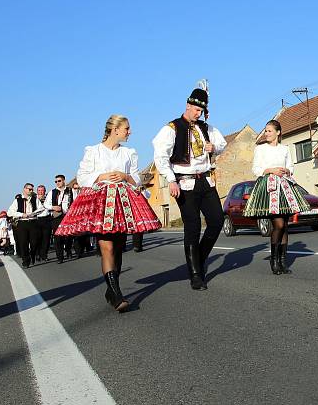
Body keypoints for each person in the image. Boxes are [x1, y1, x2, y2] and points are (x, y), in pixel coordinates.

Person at [56, 114, 161, 312]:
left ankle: (112, 289)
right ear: (115, 130)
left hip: (123, 203)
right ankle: (116, 293)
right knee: (107, 248)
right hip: (100, 203)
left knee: (119, 247)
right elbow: (82, 177)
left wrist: (125, 176)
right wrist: (102, 176)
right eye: (127, 128)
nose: (130, 132)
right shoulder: (93, 151)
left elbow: (138, 179)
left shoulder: (129, 153)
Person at [153, 87, 227, 290]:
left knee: (217, 220)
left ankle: (199, 258)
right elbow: (160, 156)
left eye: (201, 111)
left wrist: (215, 148)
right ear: (187, 106)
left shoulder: (206, 128)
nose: (198, 114)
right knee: (192, 226)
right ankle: (195, 274)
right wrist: (170, 179)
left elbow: (223, 143)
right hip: (184, 182)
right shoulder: (172, 128)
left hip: (205, 179)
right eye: (195, 110)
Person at [243, 120, 310, 274]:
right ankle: (274, 261)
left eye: (269, 131)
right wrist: (270, 170)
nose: (266, 134)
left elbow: (291, 166)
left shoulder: (285, 149)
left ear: (278, 132)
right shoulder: (260, 149)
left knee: (285, 225)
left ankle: (282, 261)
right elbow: (256, 169)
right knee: (278, 224)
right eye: (265, 131)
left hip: (285, 186)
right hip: (269, 186)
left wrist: (287, 170)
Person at [8, 184, 40, 267]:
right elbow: (10, 212)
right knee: (23, 243)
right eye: (29, 189)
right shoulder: (17, 200)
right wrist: (22, 214)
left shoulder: (35, 199)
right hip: (22, 223)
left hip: (33, 222)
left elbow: (41, 208)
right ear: (24, 189)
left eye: (32, 189)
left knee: (34, 242)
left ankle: (32, 254)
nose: (31, 191)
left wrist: (35, 213)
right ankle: (25, 261)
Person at [47, 174, 75, 263]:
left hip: (68, 216)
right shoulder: (52, 192)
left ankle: (68, 250)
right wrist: (53, 207)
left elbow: (76, 201)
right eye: (56, 181)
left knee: (68, 236)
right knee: (57, 237)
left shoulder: (71, 191)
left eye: (59, 181)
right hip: (57, 216)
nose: (57, 183)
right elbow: (46, 204)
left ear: (64, 181)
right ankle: (60, 257)